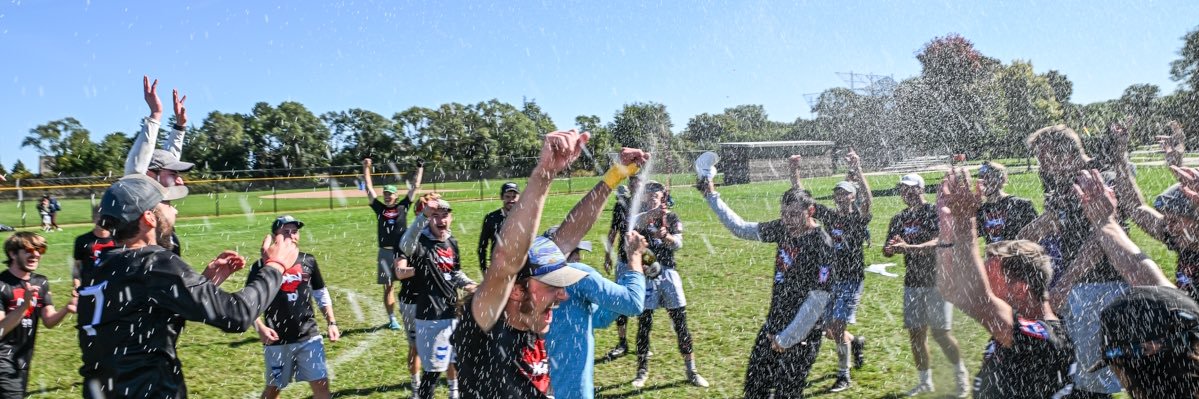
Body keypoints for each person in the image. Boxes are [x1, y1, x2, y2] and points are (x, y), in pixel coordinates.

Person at [77, 173, 298, 398]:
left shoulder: (98, 267)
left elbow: (141, 324)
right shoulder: (152, 261)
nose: (175, 211)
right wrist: (275, 266)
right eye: (166, 204)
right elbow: (237, 315)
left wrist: (205, 283)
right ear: (149, 219)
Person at [453, 129, 591, 399]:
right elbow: (506, 262)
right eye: (553, 286)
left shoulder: (531, 320)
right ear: (517, 290)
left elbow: (570, 236)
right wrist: (544, 174)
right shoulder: (487, 323)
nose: (563, 294)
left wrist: (614, 176)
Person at [934, 168, 1075, 398]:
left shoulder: (1042, 336)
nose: (985, 285)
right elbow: (950, 290)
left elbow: (981, 301)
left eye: (991, 279)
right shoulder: (1022, 327)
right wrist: (947, 229)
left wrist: (965, 219)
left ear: (1021, 288)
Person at [700, 178, 834, 399]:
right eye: (784, 213)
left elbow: (817, 301)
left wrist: (787, 338)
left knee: (787, 394)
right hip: (774, 324)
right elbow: (741, 229)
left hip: (803, 335)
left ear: (810, 211)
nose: (787, 220)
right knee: (754, 389)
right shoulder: (782, 229)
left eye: (793, 214)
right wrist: (712, 197)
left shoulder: (822, 244)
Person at [1024, 124, 1129, 398]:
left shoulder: (1095, 179)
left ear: (1066, 154)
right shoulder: (1061, 181)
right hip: (1079, 286)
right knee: (1075, 370)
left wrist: (1065, 285)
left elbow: (1100, 242)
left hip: (1101, 286)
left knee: (1092, 380)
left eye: (1045, 159)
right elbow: (1054, 223)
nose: (1042, 166)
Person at [541, 148, 649, 399]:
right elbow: (632, 303)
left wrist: (626, 279)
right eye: (575, 250)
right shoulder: (575, 274)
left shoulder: (535, 279)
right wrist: (634, 260)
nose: (579, 256)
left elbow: (598, 319)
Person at [792, 150, 872, 392]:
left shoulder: (858, 219)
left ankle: (843, 376)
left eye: (845, 192)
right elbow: (802, 197)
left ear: (852, 196)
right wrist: (795, 170)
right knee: (829, 331)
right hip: (830, 280)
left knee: (836, 327)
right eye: (837, 192)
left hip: (851, 279)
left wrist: (857, 168)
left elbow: (868, 200)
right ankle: (855, 343)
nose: (840, 195)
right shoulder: (828, 215)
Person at [883, 173, 969, 397]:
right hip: (912, 282)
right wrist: (891, 249)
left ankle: (961, 377)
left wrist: (910, 248)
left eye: (911, 188)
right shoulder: (898, 218)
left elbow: (940, 241)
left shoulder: (933, 212)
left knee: (941, 333)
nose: (907, 192)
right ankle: (925, 382)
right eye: (903, 189)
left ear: (921, 189)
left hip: (937, 281)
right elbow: (888, 249)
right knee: (916, 335)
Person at [629, 180, 708, 388]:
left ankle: (691, 370)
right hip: (646, 274)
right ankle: (642, 370)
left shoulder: (671, 216)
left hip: (670, 274)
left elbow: (679, 244)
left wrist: (667, 237)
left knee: (681, 323)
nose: (653, 195)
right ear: (645, 196)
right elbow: (634, 227)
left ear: (663, 195)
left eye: (657, 193)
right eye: (650, 193)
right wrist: (653, 217)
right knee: (644, 324)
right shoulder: (639, 215)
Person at [250, 215, 340, 399]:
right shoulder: (261, 266)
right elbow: (250, 302)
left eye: (295, 231)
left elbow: (320, 292)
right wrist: (260, 328)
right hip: (277, 340)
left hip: (309, 337)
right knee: (273, 390)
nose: (291, 235)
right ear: (275, 236)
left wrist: (331, 322)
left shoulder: (308, 260)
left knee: (322, 388)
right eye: (285, 231)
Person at [399, 193, 476, 399]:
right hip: (429, 316)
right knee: (432, 372)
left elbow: (454, 272)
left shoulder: (452, 242)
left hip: (453, 312)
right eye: (436, 216)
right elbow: (405, 245)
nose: (441, 220)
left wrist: (469, 284)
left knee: (459, 363)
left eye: (445, 215)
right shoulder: (421, 241)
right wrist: (423, 215)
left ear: (451, 218)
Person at [125, 76, 194, 256]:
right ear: (149, 174)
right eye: (173, 173)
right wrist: (155, 114)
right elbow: (137, 169)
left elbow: (168, 160)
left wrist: (180, 126)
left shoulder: (170, 237)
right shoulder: (138, 198)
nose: (179, 179)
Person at [0, 232, 75, 397]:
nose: (35, 254)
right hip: (3, 360)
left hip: (22, 359)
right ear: (12, 253)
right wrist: (25, 305)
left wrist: (66, 308)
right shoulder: (1, 284)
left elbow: (48, 320)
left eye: (40, 249)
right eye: (28, 250)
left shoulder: (40, 282)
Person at [363, 157, 423, 331]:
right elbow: (368, 188)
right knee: (388, 288)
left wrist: (419, 168)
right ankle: (392, 319)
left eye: (390, 194)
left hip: (403, 253)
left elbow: (415, 187)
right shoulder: (380, 209)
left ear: (396, 196)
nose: (388, 196)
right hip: (386, 253)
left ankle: (416, 313)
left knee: (412, 284)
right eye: (386, 194)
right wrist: (366, 168)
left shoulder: (403, 206)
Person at [600, 174, 642, 361]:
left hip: (644, 262)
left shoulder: (647, 204)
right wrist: (608, 255)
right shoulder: (620, 205)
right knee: (620, 300)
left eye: (638, 184)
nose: (635, 187)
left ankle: (643, 343)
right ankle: (622, 341)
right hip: (624, 261)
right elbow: (613, 232)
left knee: (645, 303)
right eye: (632, 184)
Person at [975, 161, 1038, 244]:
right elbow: (968, 235)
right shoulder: (981, 210)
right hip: (993, 256)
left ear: (1001, 180)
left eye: (988, 177)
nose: (984, 181)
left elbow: (1036, 235)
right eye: (981, 177)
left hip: (1017, 254)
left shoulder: (1020, 205)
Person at [478, 182, 520, 274]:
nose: (511, 200)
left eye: (514, 197)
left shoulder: (524, 217)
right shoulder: (491, 218)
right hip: (498, 267)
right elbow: (482, 246)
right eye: (507, 197)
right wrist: (484, 269)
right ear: (502, 197)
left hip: (521, 267)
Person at [72, 206, 115, 288]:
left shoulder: (119, 239)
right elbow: (77, 265)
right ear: (93, 218)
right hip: (89, 285)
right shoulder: (82, 240)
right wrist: (76, 284)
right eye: (98, 217)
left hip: (112, 285)